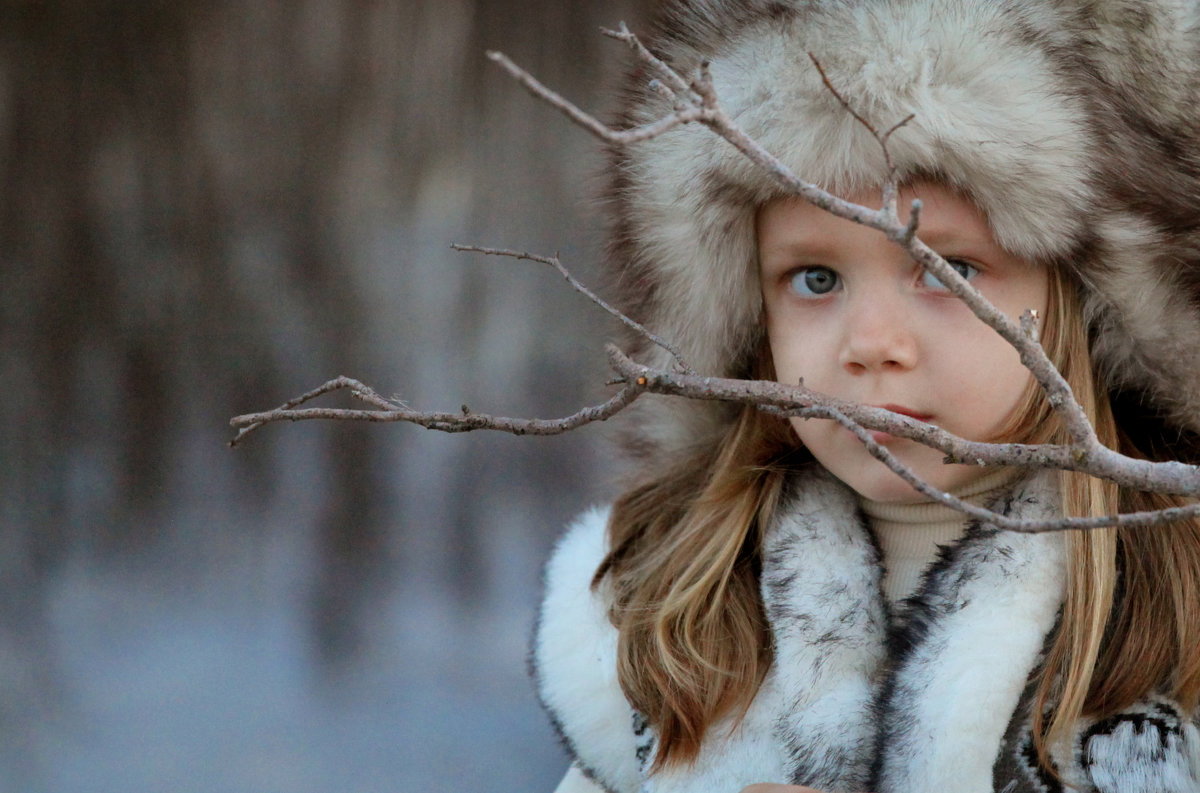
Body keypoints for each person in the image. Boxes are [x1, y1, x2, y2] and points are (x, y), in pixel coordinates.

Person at [531, 1, 1200, 792]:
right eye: (815, 279)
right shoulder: (669, 610)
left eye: (945, 268)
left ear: (1089, 295)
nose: (871, 341)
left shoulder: (1176, 615)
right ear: (749, 323)